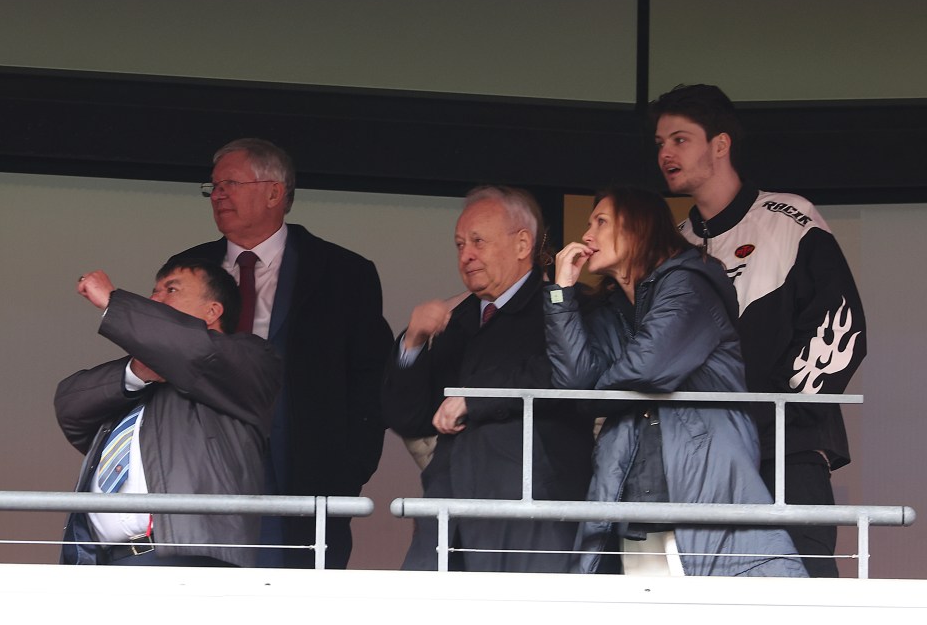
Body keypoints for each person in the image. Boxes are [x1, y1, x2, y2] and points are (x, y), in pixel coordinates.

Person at [650, 84, 866, 577]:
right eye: (660, 143)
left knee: (800, 599)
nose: (665, 153)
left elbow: (842, 327)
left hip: (786, 456)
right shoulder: (672, 247)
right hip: (701, 467)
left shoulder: (790, 217)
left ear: (720, 144)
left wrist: (769, 421)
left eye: (680, 139)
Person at [544, 186, 807, 577]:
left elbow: (647, 368)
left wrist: (594, 396)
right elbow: (573, 382)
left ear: (638, 228)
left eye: (600, 222)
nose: (587, 235)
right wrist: (560, 293)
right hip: (635, 495)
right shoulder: (612, 308)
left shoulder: (689, 283)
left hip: (704, 480)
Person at [170, 138, 393, 569]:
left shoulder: (344, 273)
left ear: (275, 192)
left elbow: (369, 378)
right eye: (213, 187)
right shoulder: (187, 268)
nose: (217, 195)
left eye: (229, 184)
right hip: (202, 472)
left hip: (306, 475)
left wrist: (351, 470)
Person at [382, 185, 593, 572]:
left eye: (478, 241)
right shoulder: (454, 320)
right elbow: (406, 416)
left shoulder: (564, 303)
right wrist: (412, 342)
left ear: (522, 243)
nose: (467, 256)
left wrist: (476, 399)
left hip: (532, 511)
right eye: (460, 244)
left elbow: (567, 375)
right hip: (448, 514)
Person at [56, 260, 282, 567]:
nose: (154, 300)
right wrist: (136, 372)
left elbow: (197, 351)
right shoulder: (142, 376)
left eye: (171, 290)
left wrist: (115, 302)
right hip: (106, 562)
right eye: (154, 291)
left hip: (186, 555)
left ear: (212, 311)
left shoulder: (250, 358)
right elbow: (70, 403)